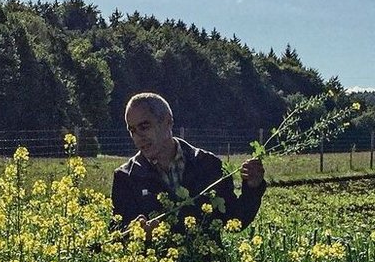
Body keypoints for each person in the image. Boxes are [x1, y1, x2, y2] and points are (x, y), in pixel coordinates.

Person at [111, 92, 265, 237]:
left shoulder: (207, 164)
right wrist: (135, 235)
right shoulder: (126, 177)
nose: (138, 137)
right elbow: (116, 233)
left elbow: (234, 220)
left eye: (144, 126)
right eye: (132, 130)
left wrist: (252, 188)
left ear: (167, 121)